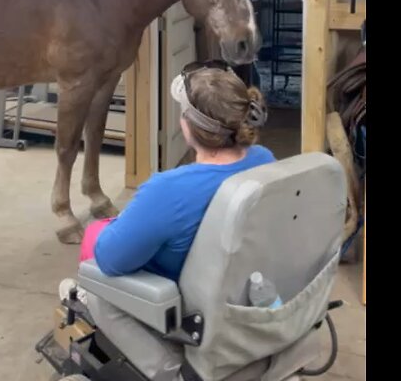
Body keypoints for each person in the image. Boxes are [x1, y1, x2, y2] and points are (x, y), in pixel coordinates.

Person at [57, 61, 273, 378]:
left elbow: (111, 261)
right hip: (239, 301)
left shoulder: (168, 191)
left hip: (184, 310)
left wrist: (99, 233)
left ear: (187, 125)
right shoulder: (264, 160)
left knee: (91, 279)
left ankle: (166, 369)